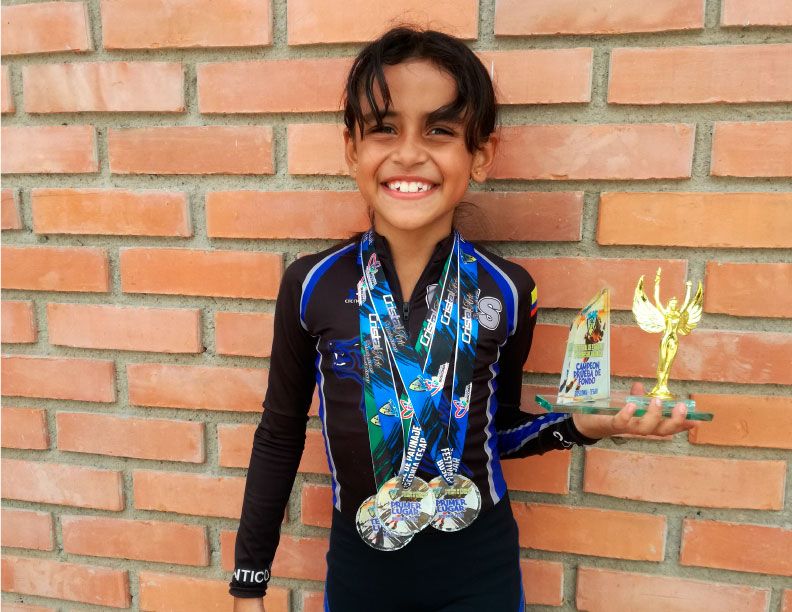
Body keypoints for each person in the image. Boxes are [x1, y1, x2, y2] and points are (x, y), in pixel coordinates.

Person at [230, 26, 695, 612]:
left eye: (440, 130)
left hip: (479, 574)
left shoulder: (509, 289)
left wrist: (582, 426)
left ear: (480, 155)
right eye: (384, 128)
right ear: (352, 148)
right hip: (360, 573)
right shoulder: (311, 285)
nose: (408, 153)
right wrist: (249, 582)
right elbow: (278, 435)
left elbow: (500, 430)